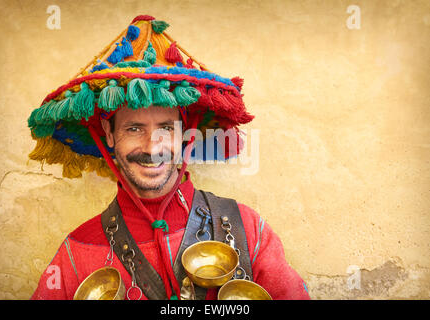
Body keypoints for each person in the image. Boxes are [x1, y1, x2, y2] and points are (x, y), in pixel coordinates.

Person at [29, 14, 310, 300]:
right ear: (109, 134)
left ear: (185, 132)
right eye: (134, 128)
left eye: (165, 127)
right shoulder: (76, 251)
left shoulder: (248, 230)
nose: (152, 148)